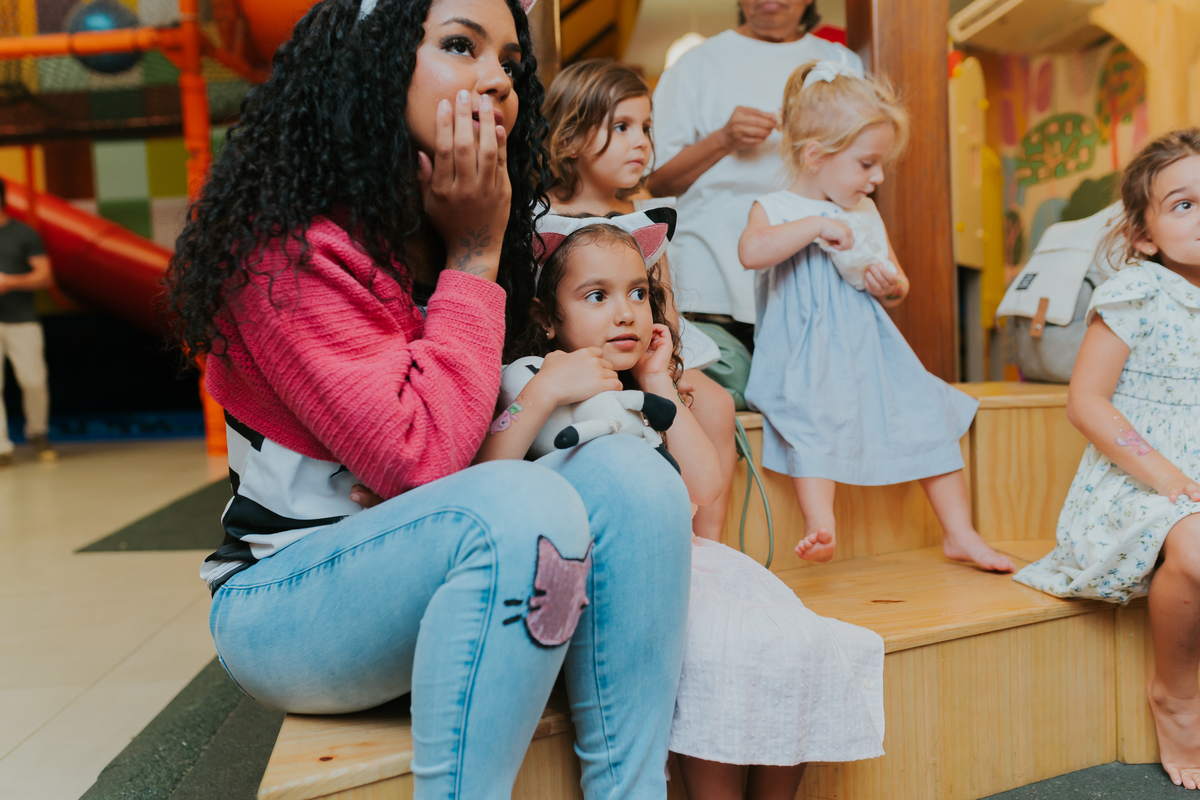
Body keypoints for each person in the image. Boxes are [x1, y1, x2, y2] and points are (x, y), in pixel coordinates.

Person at [164, 0, 692, 796]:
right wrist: (474, 256)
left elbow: (471, 443)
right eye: (458, 46)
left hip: (449, 559)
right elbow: (427, 462)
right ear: (370, 61)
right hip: (286, 601)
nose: (496, 81)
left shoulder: (464, 225)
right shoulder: (287, 250)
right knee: (516, 510)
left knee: (636, 480)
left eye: (510, 63)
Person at [484, 211, 885, 800]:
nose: (625, 312)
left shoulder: (645, 393)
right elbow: (489, 474)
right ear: (548, 318)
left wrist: (658, 380)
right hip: (604, 578)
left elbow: (705, 490)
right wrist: (546, 391)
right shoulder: (530, 377)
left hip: (681, 560)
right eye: (597, 296)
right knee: (717, 657)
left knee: (795, 645)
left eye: (638, 294)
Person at [738, 60, 1013, 573]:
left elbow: (891, 277)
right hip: (804, 360)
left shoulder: (864, 212)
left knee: (928, 408)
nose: (878, 177)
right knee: (811, 420)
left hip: (867, 352)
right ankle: (821, 523)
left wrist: (892, 287)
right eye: (867, 164)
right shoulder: (776, 207)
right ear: (815, 156)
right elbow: (752, 252)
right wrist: (817, 224)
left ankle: (960, 533)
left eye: (880, 164)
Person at [1014, 129, 1200, 790]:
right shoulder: (1136, 293)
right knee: (1197, 544)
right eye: (1184, 204)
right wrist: (1172, 481)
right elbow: (1088, 403)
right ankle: (1177, 696)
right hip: (1140, 482)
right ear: (1145, 233)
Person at [541, 59, 737, 541]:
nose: (642, 142)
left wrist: (665, 363)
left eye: (646, 128)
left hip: (644, 347)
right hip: (573, 351)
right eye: (622, 127)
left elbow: (662, 307)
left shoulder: (645, 216)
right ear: (570, 133)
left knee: (715, 402)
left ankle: (709, 542)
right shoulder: (541, 215)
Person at [647, 0, 857, 347]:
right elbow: (657, 182)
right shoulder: (696, 64)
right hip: (712, 283)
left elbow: (863, 162)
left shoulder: (841, 63)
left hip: (811, 274)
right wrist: (723, 139)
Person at [0, 180, 56, 467]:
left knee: (33, 381)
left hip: (22, 319)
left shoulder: (23, 233)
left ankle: (38, 433)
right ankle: (1, 448)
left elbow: (45, 277)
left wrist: (10, 282)